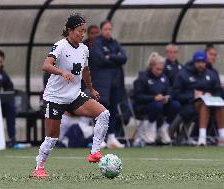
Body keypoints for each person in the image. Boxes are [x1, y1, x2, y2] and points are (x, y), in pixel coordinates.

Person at [33, 14, 110, 178]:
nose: (82, 34)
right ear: (70, 30)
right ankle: (39, 168)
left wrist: (91, 89)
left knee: (104, 113)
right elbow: (46, 65)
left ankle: (94, 152)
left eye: (84, 31)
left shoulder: (84, 49)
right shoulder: (60, 46)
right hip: (55, 97)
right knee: (52, 137)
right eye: (79, 31)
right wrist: (61, 72)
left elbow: (86, 71)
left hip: (74, 95)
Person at [173, 50, 224, 146]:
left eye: (203, 62)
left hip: (211, 104)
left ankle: (222, 137)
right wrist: (193, 95)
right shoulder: (183, 74)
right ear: (194, 62)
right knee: (204, 103)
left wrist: (212, 94)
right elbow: (176, 94)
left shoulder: (211, 74)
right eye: (198, 62)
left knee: (219, 104)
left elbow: (219, 91)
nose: (201, 64)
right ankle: (202, 137)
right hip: (189, 105)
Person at [90, 20, 127, 148]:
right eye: (106, 29)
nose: (108, 31)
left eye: (110, 29)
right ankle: (100, 139)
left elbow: (124, 58)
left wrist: (110, 57)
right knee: (102, 111)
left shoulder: (115, 43)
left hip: (115, 82)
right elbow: (100, 60)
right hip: (102, 83)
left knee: (113, 110)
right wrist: (115, 58)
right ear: (101, 30)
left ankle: (112, 137)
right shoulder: (97, 43)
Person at [133, 52, 180, 144]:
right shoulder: (142, 78)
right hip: (144, 106)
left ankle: (164, 128)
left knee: (176, 105)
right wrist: (153, 98)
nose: (159, 72)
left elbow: (169, 91)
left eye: (161, 70)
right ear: (151, 66)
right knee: (157, 106)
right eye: (157, 69)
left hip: (160, 105)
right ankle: (149, 129)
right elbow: (138, 96)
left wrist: (167, 98)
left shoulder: (164, 78)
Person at [0, 49, 17, 147]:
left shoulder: (2, 73)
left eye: (1, 62)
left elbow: (9, 87)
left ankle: (12, 138)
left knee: (10, 107)